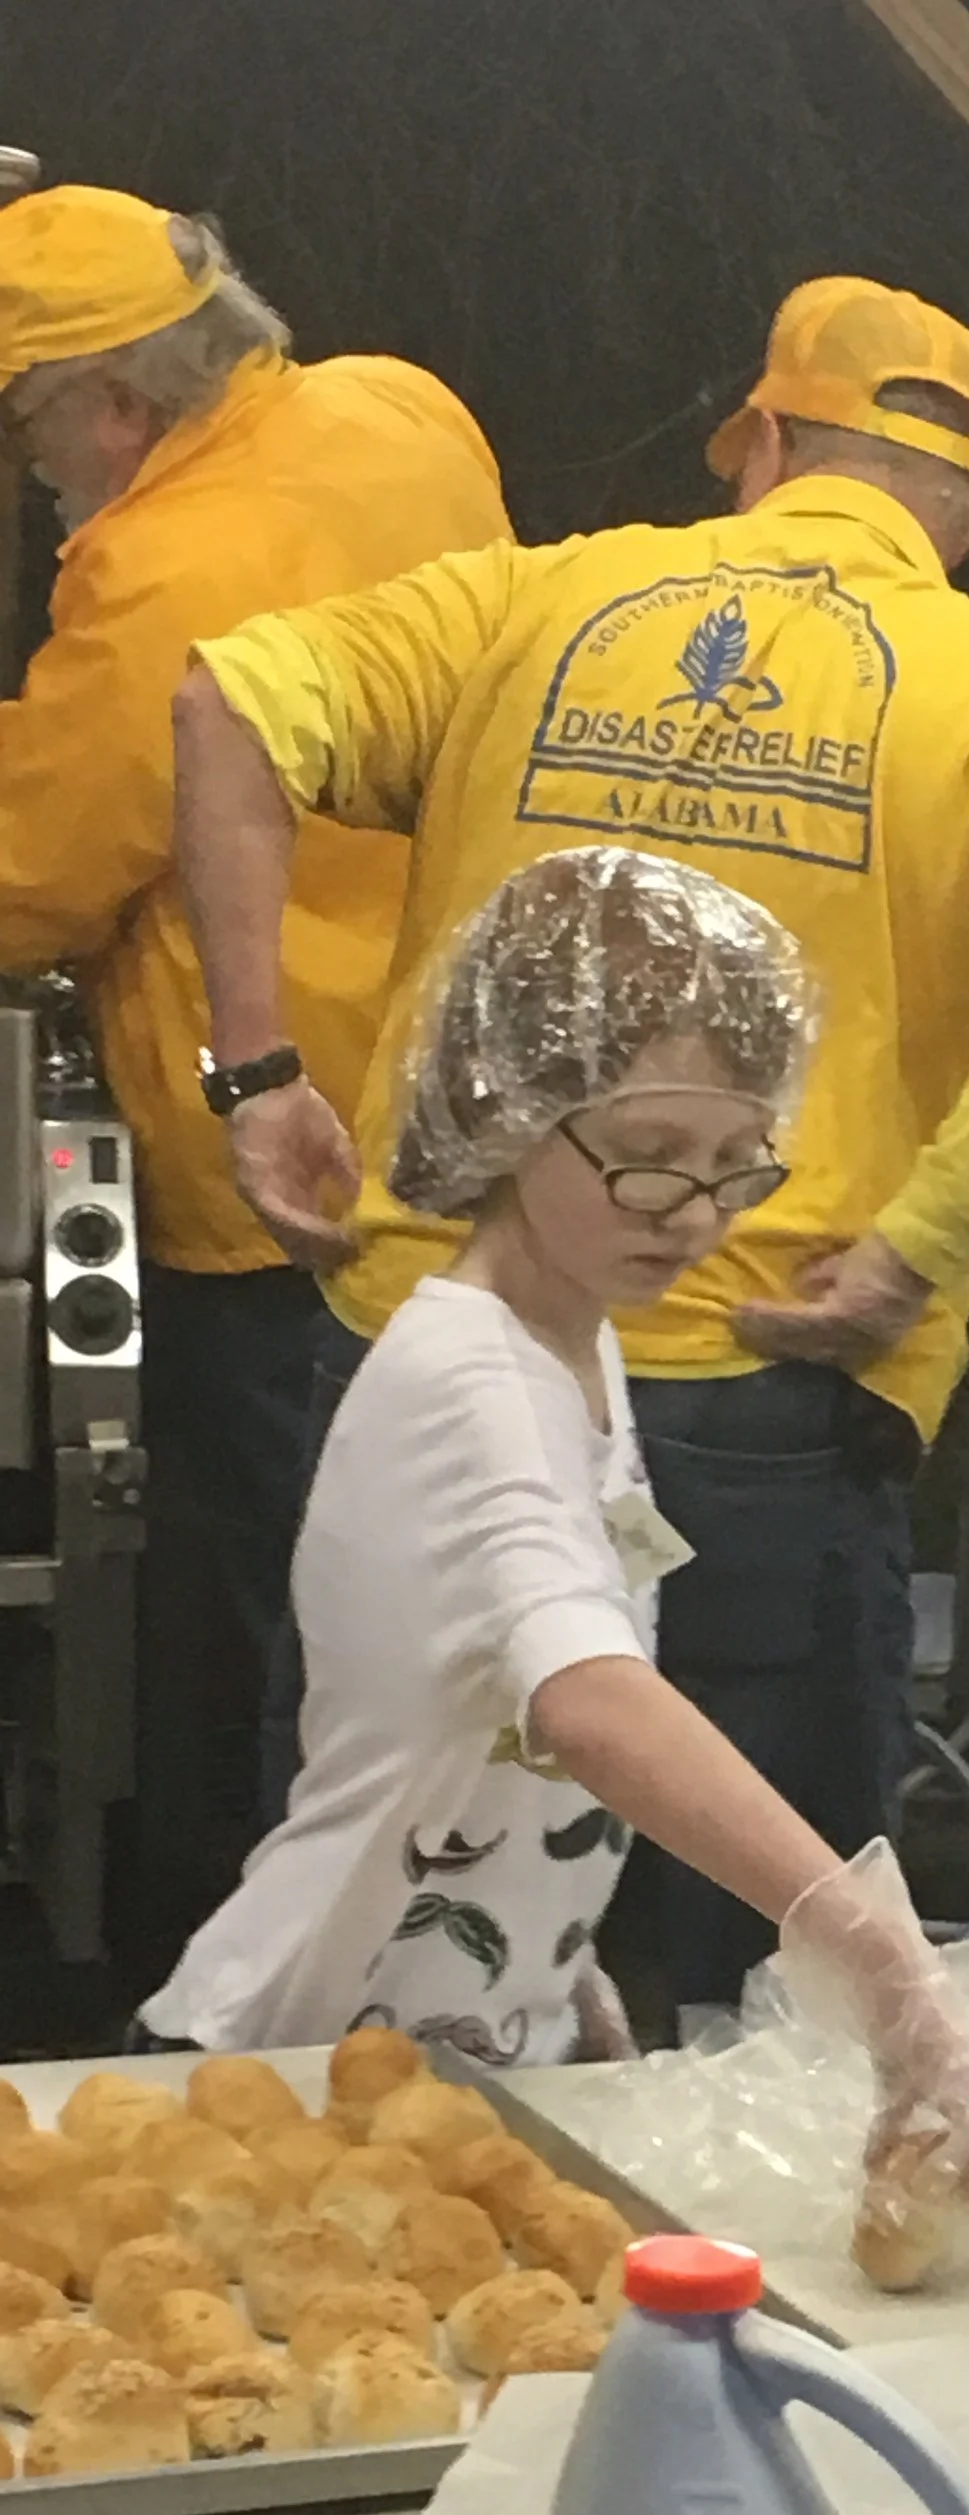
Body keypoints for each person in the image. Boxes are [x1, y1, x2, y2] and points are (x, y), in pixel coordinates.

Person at [170, 273, 969, 2020]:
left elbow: (228, 701)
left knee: (393, 1894)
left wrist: (260, 1067)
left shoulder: (537, 602)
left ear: (768, 443)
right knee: (760, 1999)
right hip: (774, 1385)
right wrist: (931, 1234)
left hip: (449, 1333)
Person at [143, 848, 969, 2180]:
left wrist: (559, 1978)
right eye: (650, 1158)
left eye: (735, 1162)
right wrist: (876, 1951)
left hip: (460, 2066)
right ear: (509, 1106)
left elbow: (503, 1728)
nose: (695, 1213)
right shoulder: (470, 1379)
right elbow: (587, 1704)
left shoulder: (577, 1341)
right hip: (297, 2070)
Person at [0, 185, 508, 1964]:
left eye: (28, 423)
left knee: (278, 1615)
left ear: (117, 409)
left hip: (267, 1173)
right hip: (459, 1119)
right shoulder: (402, 410)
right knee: (435, 1588)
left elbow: (28, 869)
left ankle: (263, 1982)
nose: (31, 467)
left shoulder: (159, 572)